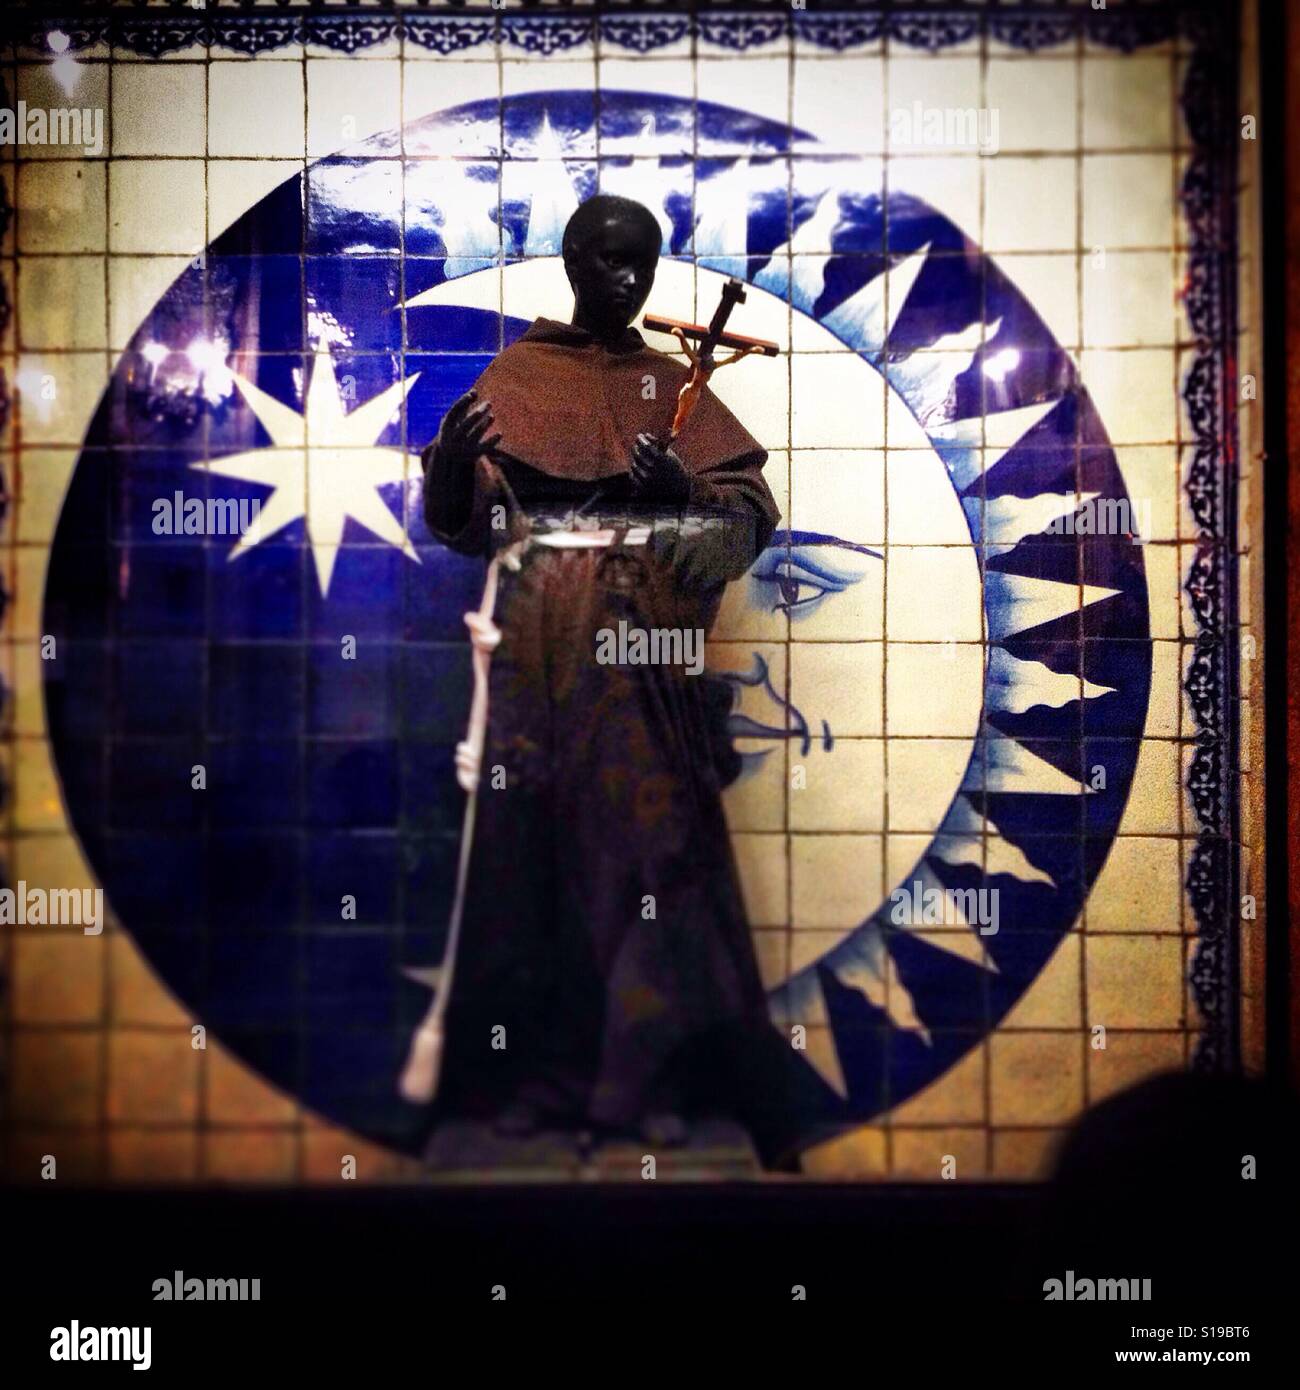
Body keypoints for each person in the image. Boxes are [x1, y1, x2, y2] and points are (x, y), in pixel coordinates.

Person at [416, 193, 809, 1167]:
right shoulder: (521, 374)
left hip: (642, 659)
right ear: (569, 262)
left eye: (639, 262)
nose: (622, 279)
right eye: (604, 259)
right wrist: (451, 476)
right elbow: (478, 523)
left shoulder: (671, 381)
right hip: (537, 651)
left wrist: (683, 495)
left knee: (650, 869)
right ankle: (540, 1083)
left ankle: (650, 1083)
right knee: (531, 865)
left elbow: (744, 516)